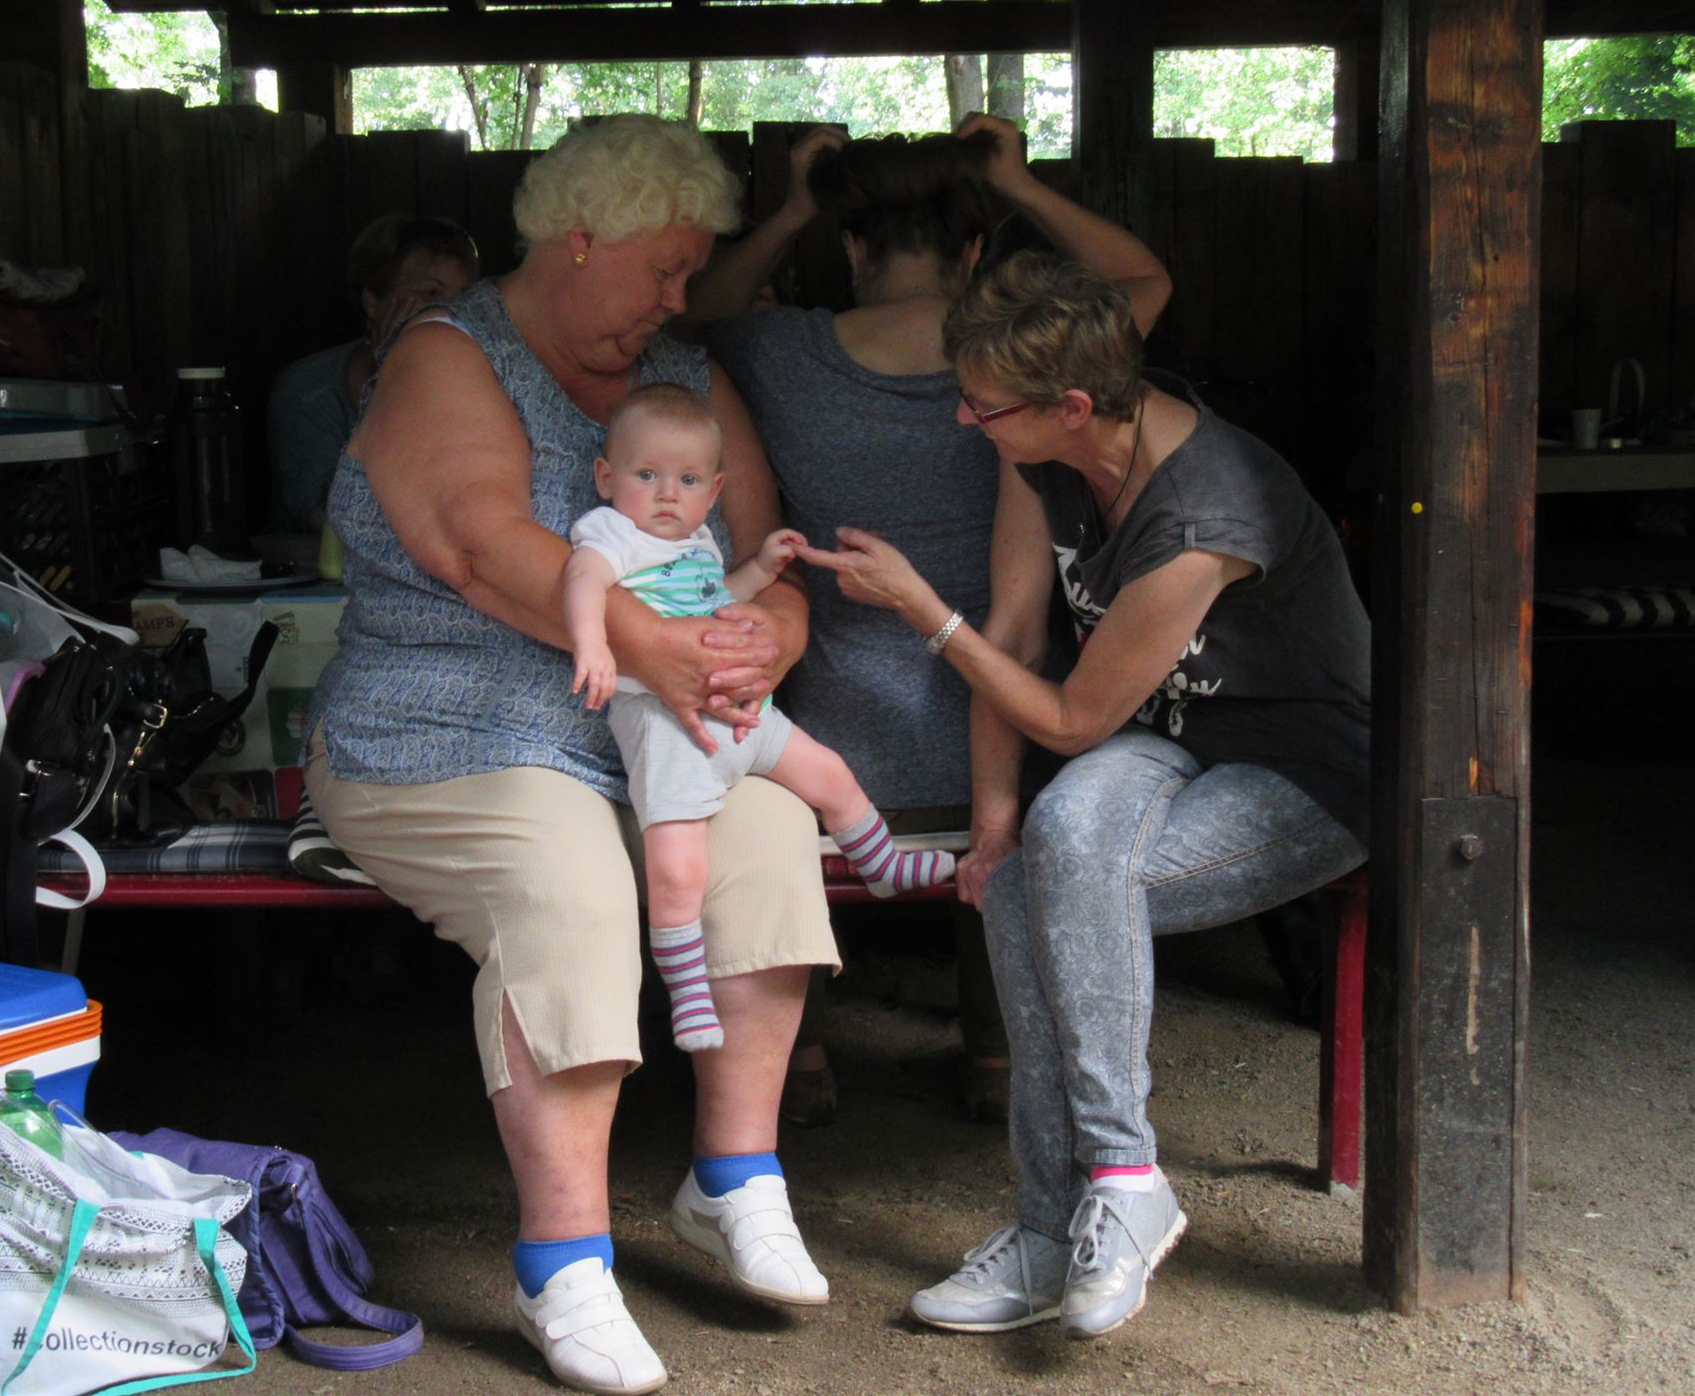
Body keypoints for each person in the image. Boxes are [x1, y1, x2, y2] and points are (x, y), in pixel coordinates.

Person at [303, 114, 839, 1396]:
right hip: (445, 723)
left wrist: (767, 637)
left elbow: (769, 555)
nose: (682, 298)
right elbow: (481, 545)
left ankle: (734, 1178)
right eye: (666, 268)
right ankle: (564, 1262)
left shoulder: (680, 375)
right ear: (581, 239)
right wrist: (665, 649)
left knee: (772, 834)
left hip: (651, 728)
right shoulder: (447, 355)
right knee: (569, 887)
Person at [796, 252, 1370, 1339]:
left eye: (983, 405)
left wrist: (923, 612)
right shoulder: (1044, 457)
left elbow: (1066, 720)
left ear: (1070, 404)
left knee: (1042, 890)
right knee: (1030, 858)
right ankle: (1089, 1208)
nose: (963, 419)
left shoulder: (1206, 515)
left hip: (1302, 767)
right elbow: (1016, 639)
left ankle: (1096, 1187)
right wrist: (992, 825)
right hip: (1163, 737)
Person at [687, 116, 1172, 1124]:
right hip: (998, 716)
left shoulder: (778, 351)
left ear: (852, 245)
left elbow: (688, 313)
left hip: (826, 738)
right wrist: (1019, 181)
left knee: (765, 816)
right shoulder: (1023, 361)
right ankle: (995, 1054)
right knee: (1019, 768)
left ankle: (799, 1059)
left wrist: (788, 210)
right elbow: (1144, 283)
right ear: (974, 252)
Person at [563, 382, 957, 1052]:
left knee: (831, 775)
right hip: (671, 730)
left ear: (714, 493)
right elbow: (581, 581)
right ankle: (688, 991)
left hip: (747, 718)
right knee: (678, 867)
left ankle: (881, 863)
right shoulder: (613, 535)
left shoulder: (698, 544)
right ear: (606, 478)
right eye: (646, 475)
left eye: (688, 480)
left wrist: (761, 571)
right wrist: (593, 643)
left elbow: (719, 596)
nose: (666, 495)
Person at [266, 214, 481, 531]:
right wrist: (395, 381)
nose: (455, 310)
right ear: (373, 303)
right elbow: (327, 518)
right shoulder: (308, 391)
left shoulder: (486, 381)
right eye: (432, 294)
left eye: (465, 295)